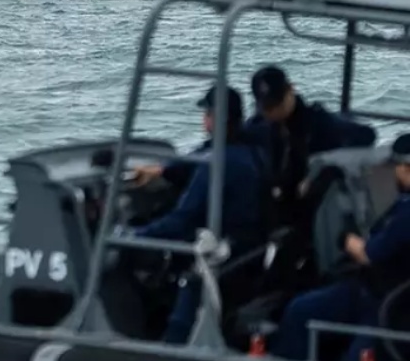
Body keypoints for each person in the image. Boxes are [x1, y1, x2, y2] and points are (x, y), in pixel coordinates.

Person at [130, 84, 269, 344]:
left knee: (180, 277)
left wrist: (132, 236)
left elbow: (182, 221)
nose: (203, 120)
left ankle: (170, 344)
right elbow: (195, 157)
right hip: (250, 254)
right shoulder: (253, 151)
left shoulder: (215, 163)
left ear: (216, 119)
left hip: (222, 260)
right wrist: (163, 171)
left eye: (207, 114)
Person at [270, 133, 410, 361]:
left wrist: (345, 238)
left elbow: (368, 254)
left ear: (405, 169)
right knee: (300, 310)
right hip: (367, 290)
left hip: (392, 308)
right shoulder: (402, 206)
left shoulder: (406, 214)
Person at [246, 65, 377, 229]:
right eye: (267, 107)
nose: (274, 112)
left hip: (308, 209)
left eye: (277, 104)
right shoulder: (256, 128)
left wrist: (322, 166)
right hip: (269, 208)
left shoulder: (318, 122)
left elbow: (365, 135)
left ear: (291, 91)